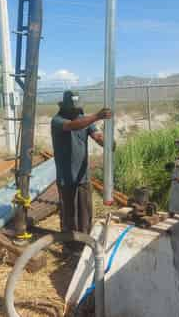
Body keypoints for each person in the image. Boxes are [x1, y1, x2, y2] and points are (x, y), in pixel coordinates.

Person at [51, 90, 112, 255]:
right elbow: (71, 126)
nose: (77, 112)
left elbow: (95, 134)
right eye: (74, 110)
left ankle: (85, 244)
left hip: (82, 175)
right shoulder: (57, 120)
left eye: (78, 109)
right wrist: (97, 116)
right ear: (65, 108)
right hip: (66, 176)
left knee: (85, 212)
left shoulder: (83, 118)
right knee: (69, 213)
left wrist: (105, 142)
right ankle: (69, 246)